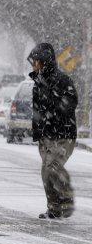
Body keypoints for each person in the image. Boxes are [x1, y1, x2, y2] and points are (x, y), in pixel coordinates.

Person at [27, 43, 78, 219]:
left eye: (36, 61)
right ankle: (55, 208)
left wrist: (54, 109)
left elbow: (71, 102)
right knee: (46, 172)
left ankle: (67, 199)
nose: (34, 65)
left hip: (63, 134)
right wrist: (38, 132)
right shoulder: (38, 83)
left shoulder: (63, 81)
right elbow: (37, 111)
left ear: (45, 62)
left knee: (53, 166)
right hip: (46, 136)